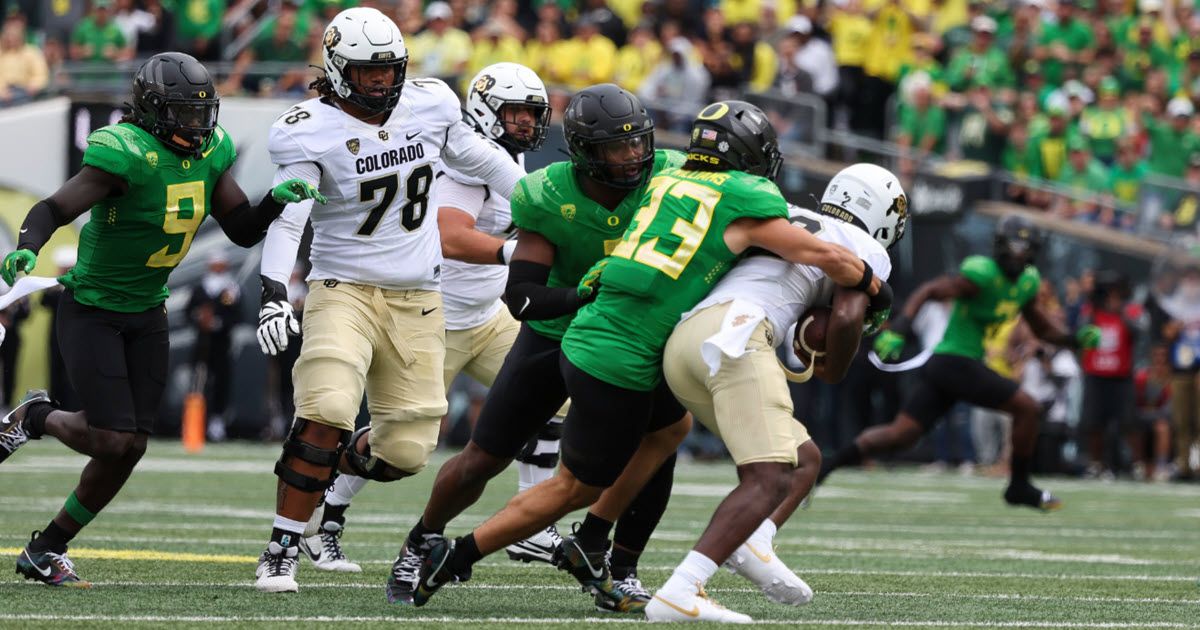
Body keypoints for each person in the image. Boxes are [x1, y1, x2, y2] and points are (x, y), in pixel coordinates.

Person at [412, 100, 883, 615]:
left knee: (668, 431)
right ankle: (457, 555)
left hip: (602, 335)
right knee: (572, 486)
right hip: (618, 355)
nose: (633, 153)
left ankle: (591, 541)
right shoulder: (743, 197)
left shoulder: (664, 182)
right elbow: (825, 256)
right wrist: (874, 287)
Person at [0, 51, 324, 588]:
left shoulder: (211, 152)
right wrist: (29, 246)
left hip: (148, 311)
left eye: (202, 114)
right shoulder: (124, 152)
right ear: (152, 110)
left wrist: (274, 203)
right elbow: (53, 209)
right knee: (109, 439)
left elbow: (242, 229)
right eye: (184, 114)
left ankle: (46, 547)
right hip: (94, 310)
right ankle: (36, 417)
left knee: (130, 447)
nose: (197, 127)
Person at [250, 7, 527, 594]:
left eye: (390, 68)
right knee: (326, 405)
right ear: (335, 66)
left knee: (407, 450)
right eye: (367, 70)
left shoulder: (430, 103)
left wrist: (536, 203)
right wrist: (275, 290)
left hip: (420, 297)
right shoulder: (304, 127)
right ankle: (282, 546)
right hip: (342, 287)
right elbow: (289, 216)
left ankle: (319, 474)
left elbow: (477, 159)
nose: (382, 80)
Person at [392, 84, 692, 612]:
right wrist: (586, 292)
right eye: (614, 149)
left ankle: (618, 562)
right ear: (580, 151)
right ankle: (421, 541)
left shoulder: (671, 174)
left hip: (628, 341)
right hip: (554, 335)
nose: (631, 158)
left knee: (661, 437)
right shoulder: (551, 195)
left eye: (636, 145)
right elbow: (523, 298)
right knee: (483, 457)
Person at [294, 62, 560, 575]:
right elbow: (451, 234)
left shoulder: (511, 156)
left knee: (556, 390)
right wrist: (514, 256)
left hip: (488, 316)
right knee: (397, 442)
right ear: (485, 111)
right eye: (515, 111)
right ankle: (327, 517)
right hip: (436, 320)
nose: (526, 122)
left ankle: (532, 526)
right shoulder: (466, 164)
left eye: (532, 112)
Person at [651, 164, 905, 622]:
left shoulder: (786, 213)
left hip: (684, 341)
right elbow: (847, 317)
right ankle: (681, 590)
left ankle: (754, 541)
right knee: (769, 476)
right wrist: (831, 368)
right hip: (737, 336)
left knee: (804, 457)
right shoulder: (864, 247)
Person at [822, 214, 1103, 510]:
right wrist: (901, 328)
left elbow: (1043, 327)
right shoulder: (981, 274)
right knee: (1028, 408)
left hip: (955, 366)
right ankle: (1018, 486)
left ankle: (829, 463)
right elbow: (930, 290)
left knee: (901, 434)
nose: (1018, 253)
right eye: (1014, 245)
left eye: (1024, 247)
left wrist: (1074, 339)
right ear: (1000, 246)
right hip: (955, 361)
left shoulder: (1027, 282)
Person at [185, 252, 243, 442]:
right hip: (201, 342)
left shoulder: (231, 288)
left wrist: (217, 323)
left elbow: (237, 315)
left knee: (221, 383)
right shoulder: (200, 287)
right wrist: (198, 318)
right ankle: (194, 422)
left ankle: (216, 423)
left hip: (221, 344)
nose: (218, 268)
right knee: (198, 382)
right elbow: (188, 312)